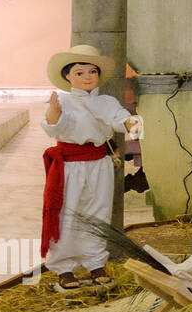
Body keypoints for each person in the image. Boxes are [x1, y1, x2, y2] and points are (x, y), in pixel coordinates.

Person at [40, 44, 139, 290]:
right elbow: (53, 126)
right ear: (67, 76)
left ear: (99, 75)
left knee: (99, 213)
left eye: (92, 72)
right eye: (79, 72)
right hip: (71, 167)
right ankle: (64, 268)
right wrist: (53, 113)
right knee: (67, 214)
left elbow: (122, 121)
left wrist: (130, 122)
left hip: (100, 165)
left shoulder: (107, 101)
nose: (87, 77)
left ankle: (96, 263)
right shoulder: (62, 100)